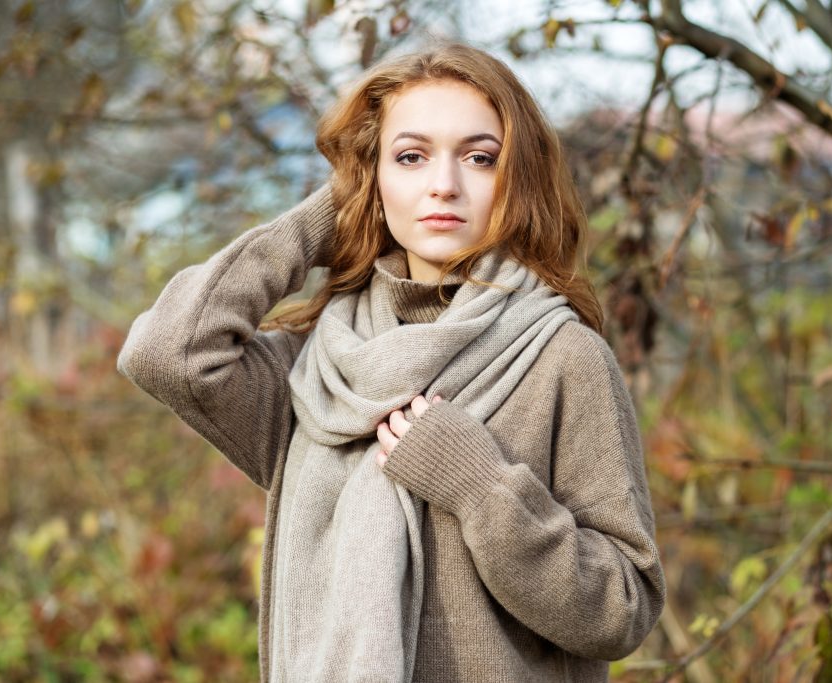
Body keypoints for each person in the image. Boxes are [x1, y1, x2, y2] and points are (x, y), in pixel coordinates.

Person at [117, 41, 665, 682]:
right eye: (410, 157)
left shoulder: (563, 357)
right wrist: (329, 214)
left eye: (480, 158)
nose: (443, 184)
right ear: (375, 178)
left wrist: (481, 488)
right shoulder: (321, 370)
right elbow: (168, 353)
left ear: (517, 179)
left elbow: (622, 610)